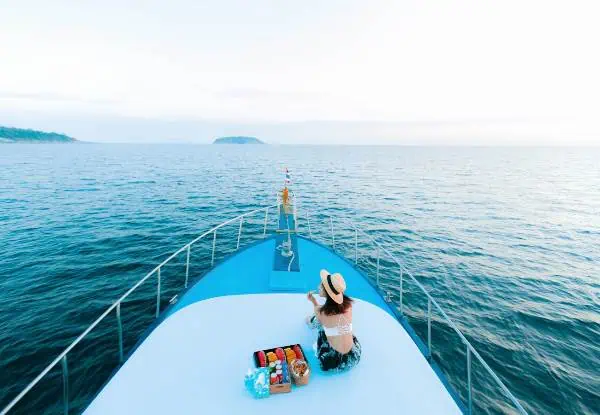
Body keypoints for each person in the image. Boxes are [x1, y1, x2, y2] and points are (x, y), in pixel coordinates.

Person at [306, 269, 362, 372]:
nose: (319, 286)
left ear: (327, 292)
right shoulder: (348, 305)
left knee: (317, 325)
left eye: (321, 285)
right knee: (341, 327)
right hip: (353, 356)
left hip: (332, 361)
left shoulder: (321, 312)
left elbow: (312, 324)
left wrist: (313, 301)